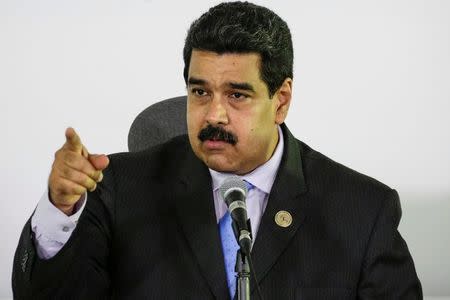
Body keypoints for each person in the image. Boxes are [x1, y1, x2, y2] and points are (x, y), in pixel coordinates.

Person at [12, 2, 422, 299]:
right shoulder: (119, 188)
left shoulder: (362, 210)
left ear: (281, 100)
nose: (214, 114)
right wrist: (61, 209)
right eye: (200, 91)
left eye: (237, 95)